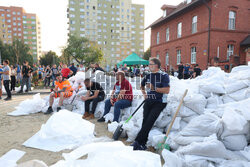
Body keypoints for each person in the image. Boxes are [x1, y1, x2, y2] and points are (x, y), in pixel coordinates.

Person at [131, 58, 170, 150]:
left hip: (159, 102)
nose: (148, 66)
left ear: (156, 65)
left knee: (149, 122)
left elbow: (167, 90)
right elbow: (141, 85)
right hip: (149, 101)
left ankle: (137, 142)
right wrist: (144, 94)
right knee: (145, 122)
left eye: (150, 64)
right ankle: (142, 144)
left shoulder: (164, 75)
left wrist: (154, 88)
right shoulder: (148, 75)